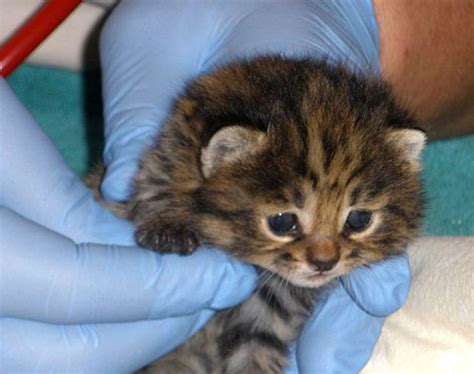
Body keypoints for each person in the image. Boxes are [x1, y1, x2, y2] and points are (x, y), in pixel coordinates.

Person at [5, 0, 463, 371]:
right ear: (216, 158)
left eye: (357, 220)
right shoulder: (200, 166)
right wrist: (158, 212)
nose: (324, 255)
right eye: (285, 221)